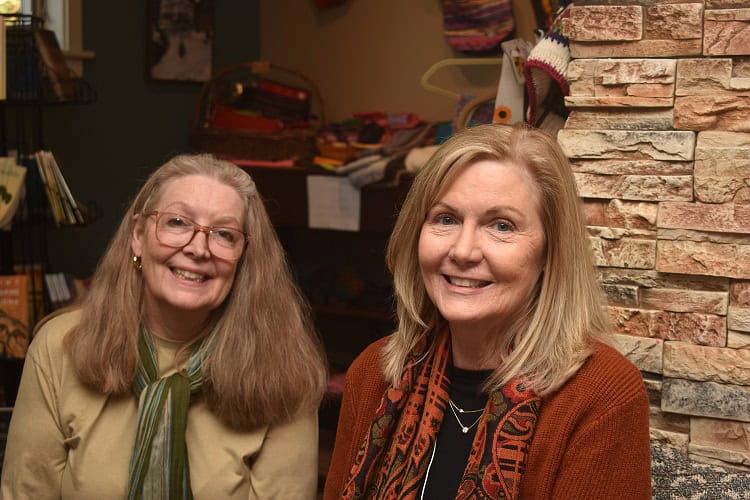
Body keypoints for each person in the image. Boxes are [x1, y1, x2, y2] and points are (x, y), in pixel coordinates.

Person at [324, 124, 652, 499]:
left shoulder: (601, 396)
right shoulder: (374, 372)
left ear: (549, 252)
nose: (463, 251)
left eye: (501, 225)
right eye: (445, 219)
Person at [1, 154, 328, 499]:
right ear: (139, 235)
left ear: (245, 256)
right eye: (177, 222)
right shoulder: (60, 346)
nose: (199, 248)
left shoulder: (285, 371)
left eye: (224, 234)